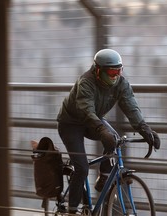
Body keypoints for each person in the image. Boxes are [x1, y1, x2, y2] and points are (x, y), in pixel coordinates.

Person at [57, 48, 160, 213]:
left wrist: (144, 128)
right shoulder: (86, 82)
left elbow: (131, 106)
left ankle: (104, 175)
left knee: (115, 138)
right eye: (111, 72)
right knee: (82, 168)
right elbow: (86, 110)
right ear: (98, 71)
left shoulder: (120, 83)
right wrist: (100, 129)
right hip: (71, 123)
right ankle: (71, 209)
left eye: (118, 71)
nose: (115, 76)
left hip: (94, 119)